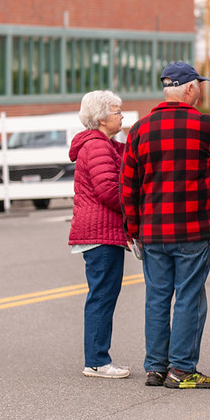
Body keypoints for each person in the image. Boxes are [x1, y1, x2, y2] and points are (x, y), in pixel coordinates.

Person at [121, 61, 210, 389]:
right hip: (192, 228)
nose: (200, 89)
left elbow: (128, 184)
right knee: (189, 296)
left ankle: (155, 367)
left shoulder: (140, 129)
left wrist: (133, 229)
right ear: (188, 89)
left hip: (153, 231)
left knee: (157, 297)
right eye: (197, 85)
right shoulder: (202, 125)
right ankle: (182, 369)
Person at [68, 90, 130, 379]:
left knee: (102, 295)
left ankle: (97, 358)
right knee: (102, 297)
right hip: (100, 232)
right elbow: (108, 191)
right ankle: (96, 361)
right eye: (117, 111)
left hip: (100, 231)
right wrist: (134, 211)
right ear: (103, 118)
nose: (122, 116)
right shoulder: (96, 147)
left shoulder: (105, 144)